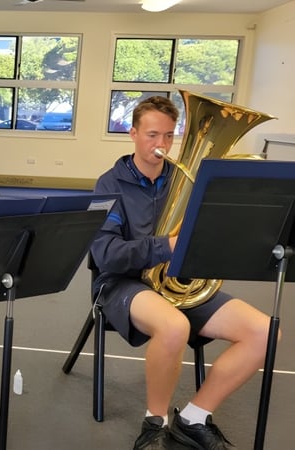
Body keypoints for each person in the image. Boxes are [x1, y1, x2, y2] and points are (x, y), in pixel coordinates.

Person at [90, 95, 276, 450]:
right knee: (174, 326)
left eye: (168, 136)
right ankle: (155, 422)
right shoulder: (108, 185)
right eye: (152, 135)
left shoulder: (188, 180)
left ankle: (193, 417)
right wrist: (166, 246)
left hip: (179, 284)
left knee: (265, 332)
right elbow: (105, 254)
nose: (161, 145)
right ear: (132, 133)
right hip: (121, 284)